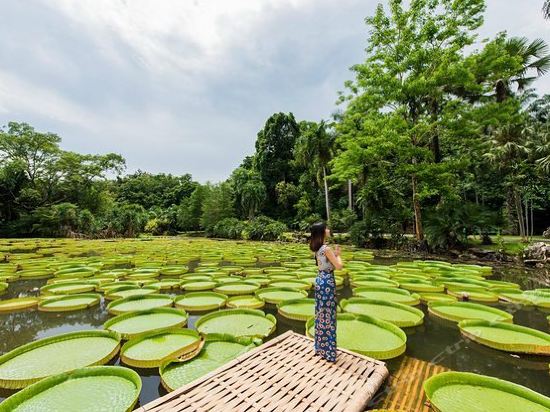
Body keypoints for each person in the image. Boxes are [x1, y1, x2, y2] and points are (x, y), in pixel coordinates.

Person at [309, 221, 343, 362]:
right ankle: (329, 352)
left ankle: (321, 348)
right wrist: (339, 255)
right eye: (326, 228)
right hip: (328, 281)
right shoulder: (326, 249)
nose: (328, 229)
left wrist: (333, 255)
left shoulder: (317, 248)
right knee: (329, 315)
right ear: (322, 232)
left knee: (321, 314)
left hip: (320, 280)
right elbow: (339, 266)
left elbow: (323, 264)